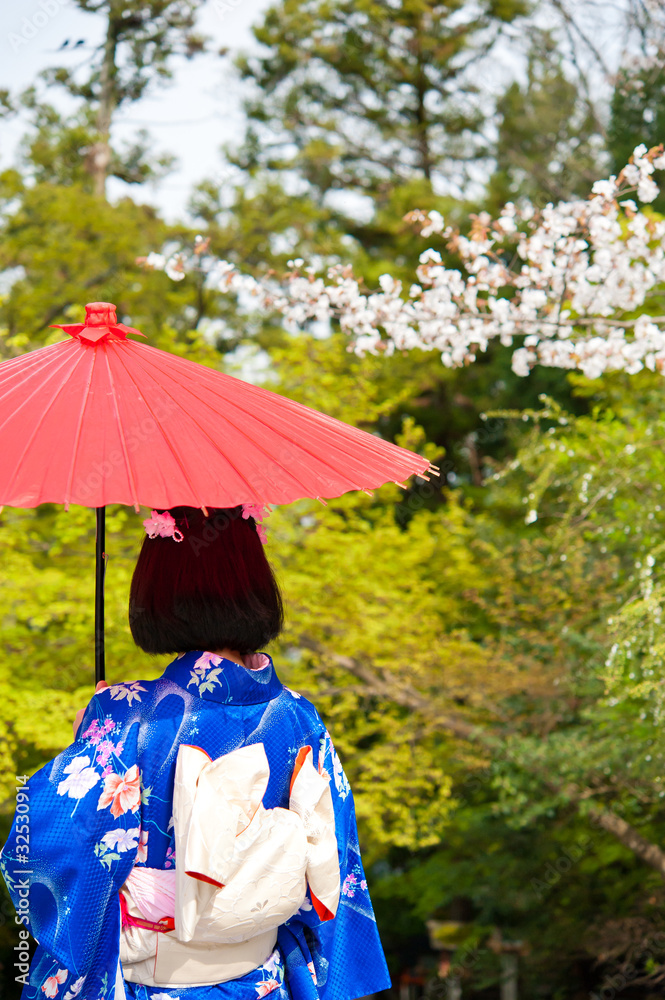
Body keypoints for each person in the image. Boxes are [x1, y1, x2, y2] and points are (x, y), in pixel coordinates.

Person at [1, 505, 391, 1000]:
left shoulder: (127, 715)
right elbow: (336, 869)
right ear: (255, 584)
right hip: (263, 982)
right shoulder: (300, 718)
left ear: (159, 588)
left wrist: (84, 745)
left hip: (154, 981)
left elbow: (37, 846)